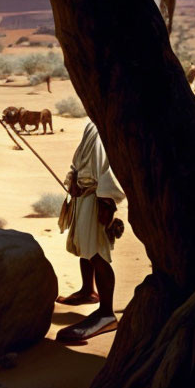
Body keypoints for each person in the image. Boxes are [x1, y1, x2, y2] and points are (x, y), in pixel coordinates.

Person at [55, 120, 125, 343]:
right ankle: (88, 291)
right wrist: (73, 178)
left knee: (97, 253)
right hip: (82, 195)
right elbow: (80, 160)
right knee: (84, 245)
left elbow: (111, 169)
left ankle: (106, 314)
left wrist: (107, 201)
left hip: (96, 197)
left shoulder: (110, 126)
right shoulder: (93, 123)